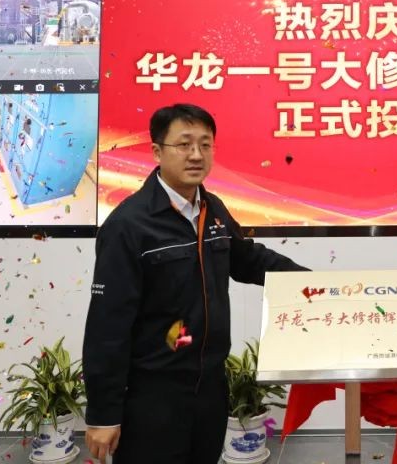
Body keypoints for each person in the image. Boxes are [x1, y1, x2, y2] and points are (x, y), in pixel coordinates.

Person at [83, 104, 307, 464]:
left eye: (205, 144)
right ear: (157, 152)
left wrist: (315, 284)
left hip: (210, 390)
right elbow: (107, 327)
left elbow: (249, 260)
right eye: (184, 144)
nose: (196, 155)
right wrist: (103, 414)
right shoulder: (128, 225)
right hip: (153, 395)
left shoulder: (212, 209)